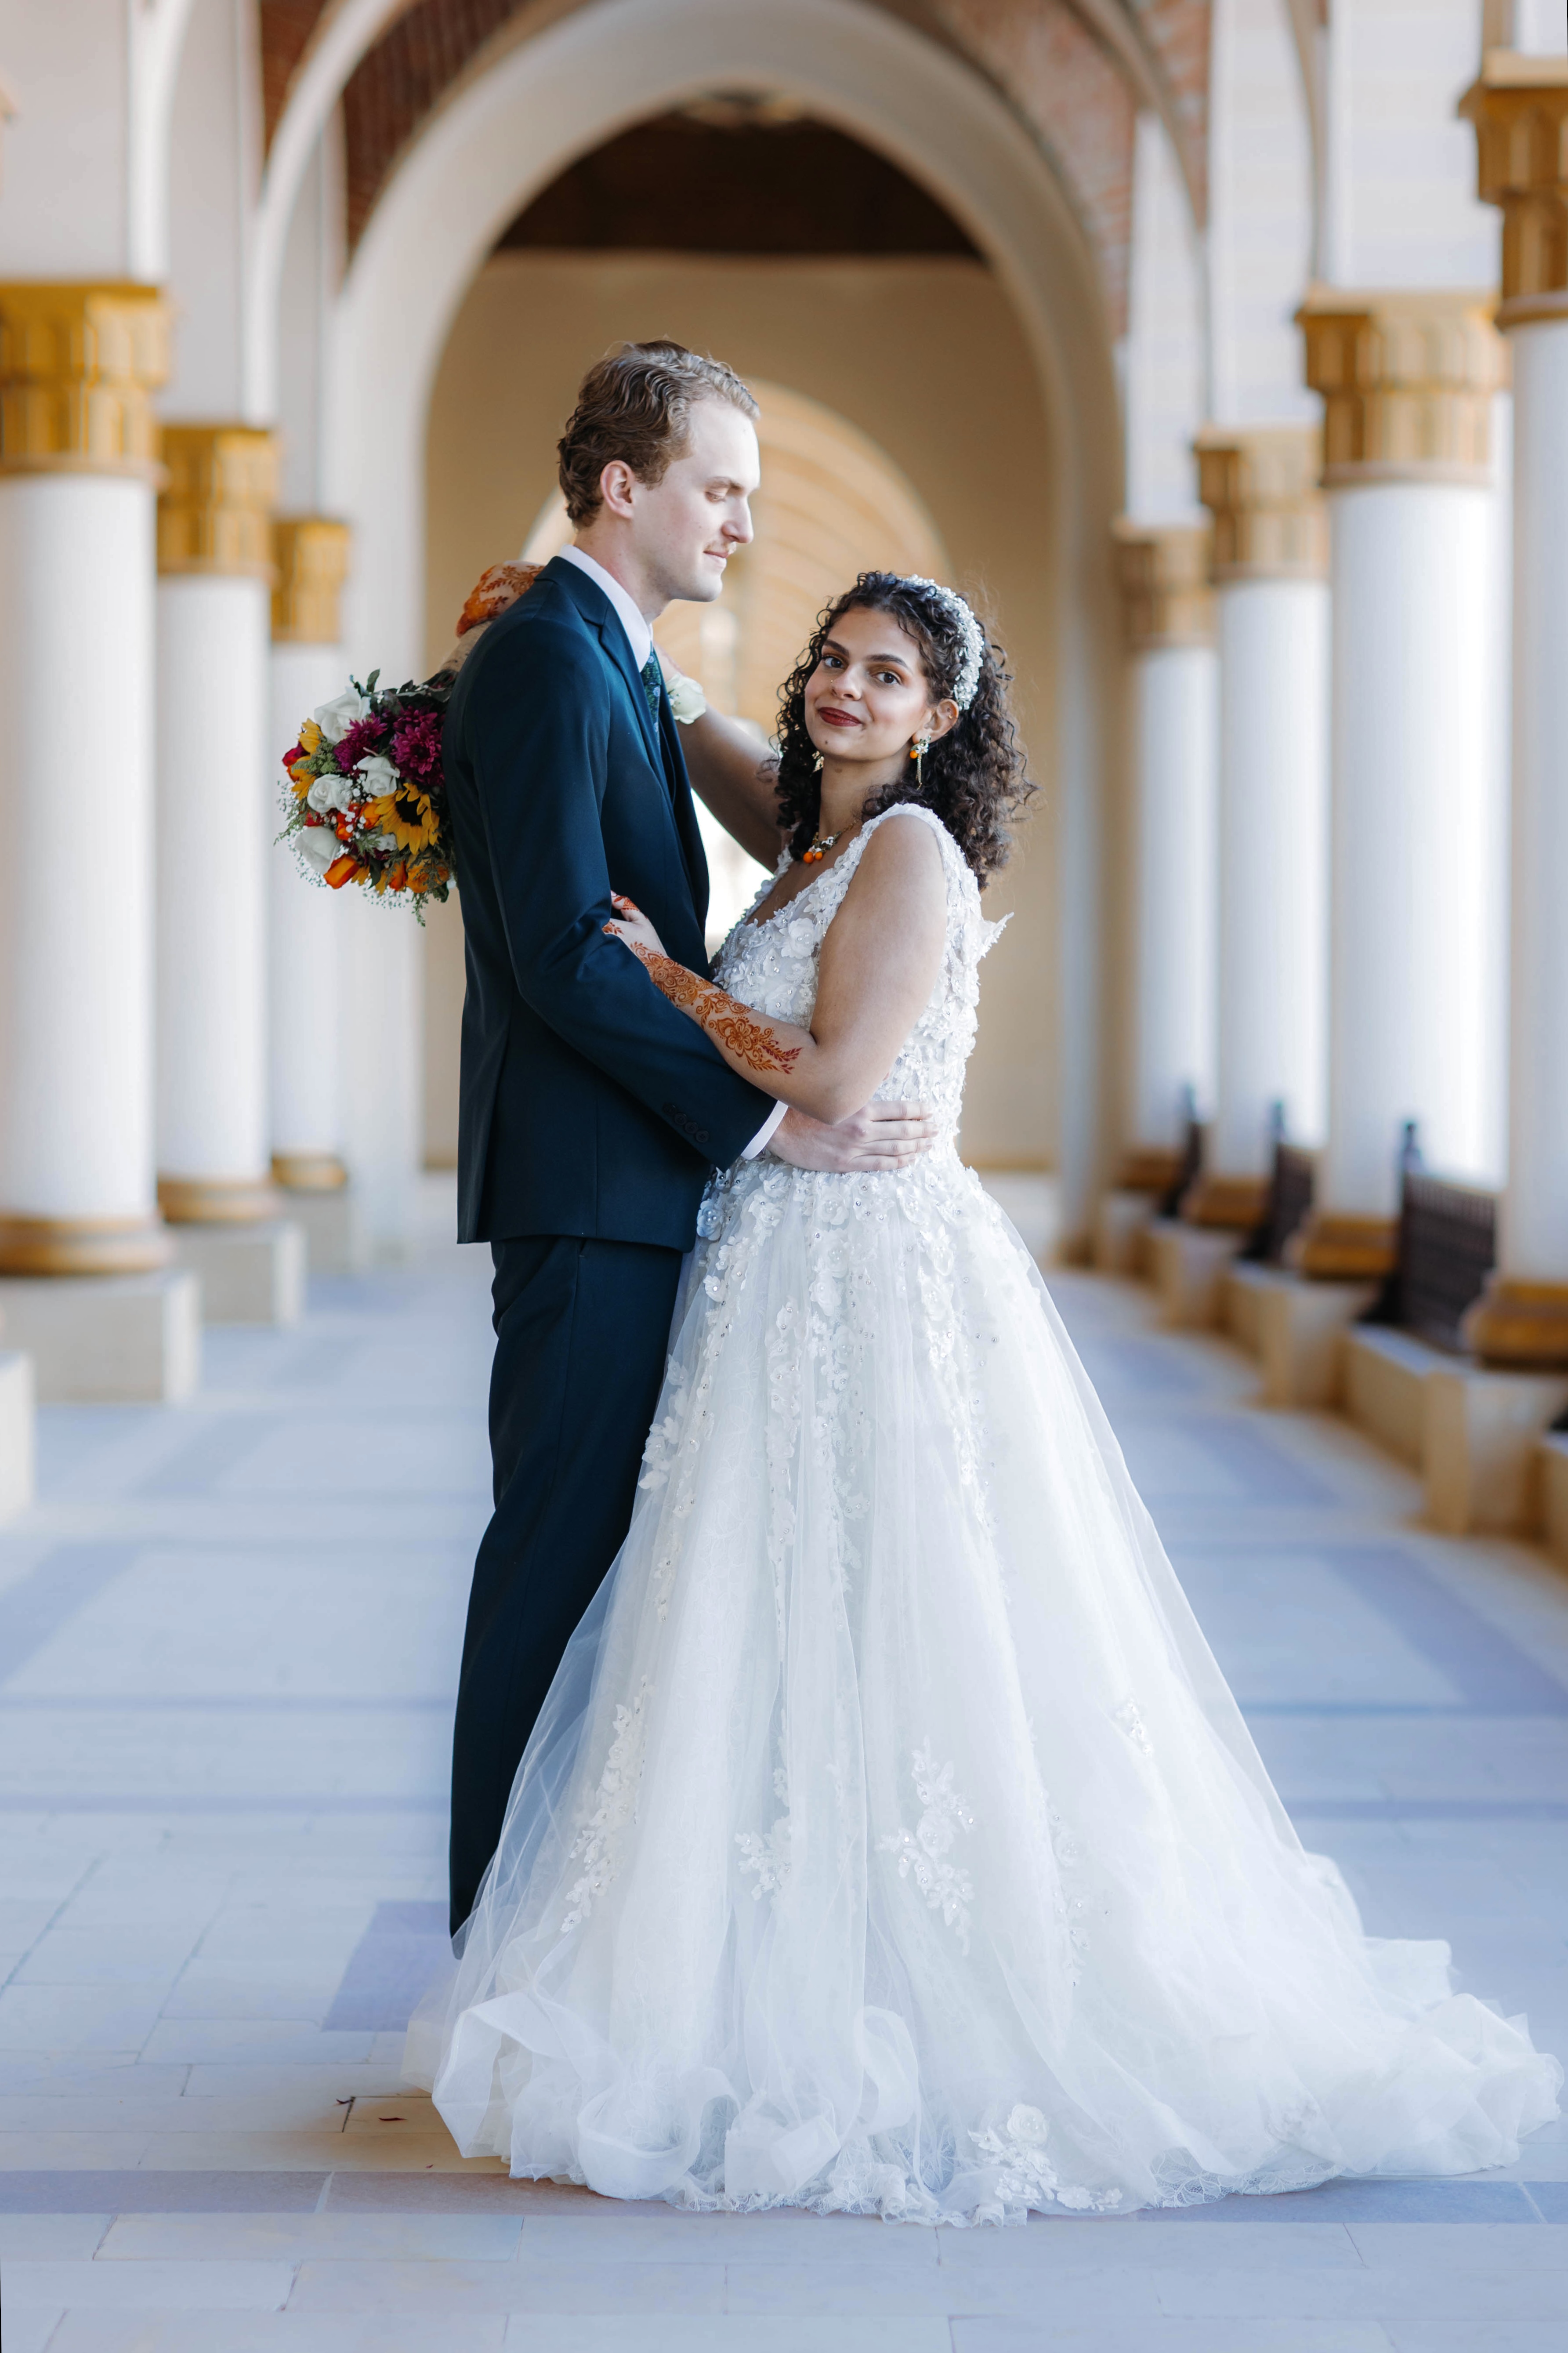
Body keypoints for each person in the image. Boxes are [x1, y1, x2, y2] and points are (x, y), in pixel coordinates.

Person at [412, 566, 1559, 2220]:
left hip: (868, 1274)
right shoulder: (812, 827)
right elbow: (707, 736)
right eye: (835, 661)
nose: (848, 689)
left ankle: (924, 1975)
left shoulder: (909, 851)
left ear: (943, 718)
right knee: (767, 1620)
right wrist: (602, 626)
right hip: (774, 1279)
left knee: (901, 1610)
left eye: (888, 676)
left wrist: (663, 975)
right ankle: (760, 1942)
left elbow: (828, 1078)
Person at [441, 344, 938, 1938]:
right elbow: (567, 951)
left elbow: (764, 836)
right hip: (590, 1198)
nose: (739, 521)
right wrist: (761, 1121)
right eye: (719, 488)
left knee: (614, 1591)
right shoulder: (544, 658)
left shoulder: (608, 657)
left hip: (633, 1191)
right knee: (556, 1571)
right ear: (622, 487)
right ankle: (490, 1942)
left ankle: (554, 1940)